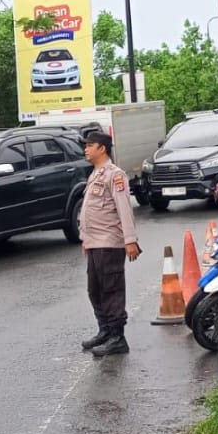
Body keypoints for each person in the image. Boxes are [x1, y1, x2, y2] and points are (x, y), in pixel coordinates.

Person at [77, 131, 141, 357]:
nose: (85, 149)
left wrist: (130, 240)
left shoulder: (115, 175)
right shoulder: (95, 174)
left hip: (109, 243)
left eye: (89, 145)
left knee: (111, 291)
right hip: (95, 243)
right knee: (94, 290)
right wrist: (85, 239)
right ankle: (104, 330)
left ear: (102, 148)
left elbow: (124, 208)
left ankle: (117, 337)